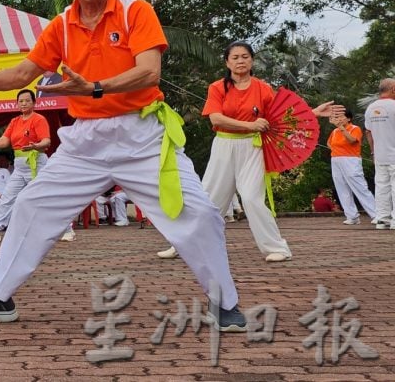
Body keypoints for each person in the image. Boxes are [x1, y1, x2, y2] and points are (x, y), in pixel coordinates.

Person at [0, 0, 249, 330]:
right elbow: (22, 74)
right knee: (30, 206)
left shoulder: (134, 12)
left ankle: (225, 302)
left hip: (143, 137)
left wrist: (93, 87)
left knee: (201, 213)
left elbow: (149, 71)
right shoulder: (61, 27)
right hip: (85, 141)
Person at [159, 42, 336, 262]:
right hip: (224, 146)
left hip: (252, 148)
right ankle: (181, 245)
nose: (240, 61)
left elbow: (280, 117)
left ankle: (276, 248)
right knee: (208, 201)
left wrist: (313, 113)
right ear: (227, 62)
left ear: (252, 60)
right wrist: (251, 126)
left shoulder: (262, 88)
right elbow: (216, 118)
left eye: (245, 56)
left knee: (252, 198)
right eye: (235, 57)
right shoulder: (217, 88)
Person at [0, 90, 62, 242]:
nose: (24, 103)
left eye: (27, 100)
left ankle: (67, 229)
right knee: (7, 197)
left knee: (47, 197)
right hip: (20, 166)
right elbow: (5, 140)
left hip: (36, 163)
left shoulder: (39, 119)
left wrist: (35, 146)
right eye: (21, 101)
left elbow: (47, 142)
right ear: (17, 103)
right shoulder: (15, 121)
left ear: (34, 103)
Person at [328, 109, 377, 225]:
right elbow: (329, 143)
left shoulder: (355, 129)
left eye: (341, 117)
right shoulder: (335, 131)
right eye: (337, 117)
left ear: (348, 118)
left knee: (360, 187)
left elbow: (352, 141)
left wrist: (342, 128)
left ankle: (376, 214)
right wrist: (336, 150)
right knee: (341, 188)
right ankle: (352, 216)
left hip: (350, 160)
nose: (339, 119)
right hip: (336, 159)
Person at [365, 78, 395, 230]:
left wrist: (373, 151)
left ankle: (382, 219)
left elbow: (368, 132)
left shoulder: (371, 108)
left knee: (382, 186)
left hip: (380, 155)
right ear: (393, 89)